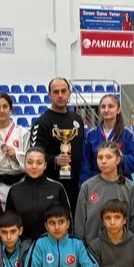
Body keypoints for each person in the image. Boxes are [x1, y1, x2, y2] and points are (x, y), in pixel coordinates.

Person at [31, 78, 85, 216]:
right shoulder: (42, 122)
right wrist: (54, 160)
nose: (60, 95)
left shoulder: (77, 119)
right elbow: (34, 155)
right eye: (56, 92)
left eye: (63, 91)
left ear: (69, 93)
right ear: (49, 95)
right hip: (52, 186)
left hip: (76, 185)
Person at [75, 141, 134, 246]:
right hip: (91, 250)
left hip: (122, 249)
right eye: (100, 157)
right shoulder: (87, 187)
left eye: (109, 157)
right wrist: (80, 250)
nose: (104, 161)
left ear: (118, 160)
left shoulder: (130, 188)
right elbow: (80, 222)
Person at [6, 147, 72, 242]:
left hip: (52, 244)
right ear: (24, 164)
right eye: (30, 162)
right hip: (23, 246)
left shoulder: (57, 188)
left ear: (45, 165)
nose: (34, 166)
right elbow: (8, 222)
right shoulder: (14, 190)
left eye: (39, 163)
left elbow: (68, 220)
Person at [79, 94, 134, 186]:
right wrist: (84, 186)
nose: (106, 110)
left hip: (121, 182)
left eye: (111, 106)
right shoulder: (91, 135)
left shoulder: (129, 134)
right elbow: (85, 163)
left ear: (118, 110)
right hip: (96, 184)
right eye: (103, 107)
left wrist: (120, 157)